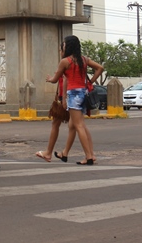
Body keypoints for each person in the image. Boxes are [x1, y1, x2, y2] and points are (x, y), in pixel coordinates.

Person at [36, 35, 104, 165]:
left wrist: (50, 79)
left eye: (64, 44)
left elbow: (56, 79)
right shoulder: (84, 60)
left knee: (78, 126)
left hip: (73, 94)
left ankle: (89, 156)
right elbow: (100, 68)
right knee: (76, 124)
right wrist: (89, 82)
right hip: (83, 93)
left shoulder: (65, 61)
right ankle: (68, 153)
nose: (63, 46)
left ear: (68, 46)